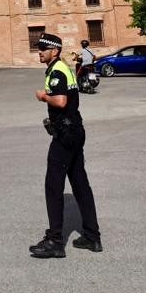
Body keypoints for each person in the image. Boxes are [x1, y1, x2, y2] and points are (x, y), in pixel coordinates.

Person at [29, 32, 101, 259]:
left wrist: (43, 97)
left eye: (43, 48)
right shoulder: (60, 68)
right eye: (38, 48)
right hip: (75, 131)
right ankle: (92, 236)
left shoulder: (58, 70)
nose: (39, 51)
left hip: (66, 134)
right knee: (80, 183)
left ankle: (55, 240)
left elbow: (60, 101)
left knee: (53, 185)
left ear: (55, 51)